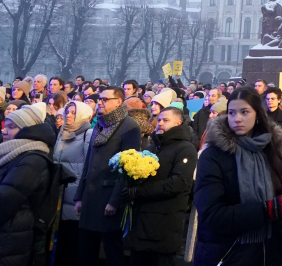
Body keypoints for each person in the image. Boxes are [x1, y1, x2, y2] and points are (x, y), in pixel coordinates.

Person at [193, 87, 282, 266]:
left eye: (244, 112)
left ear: (258, 115)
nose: (237, 119)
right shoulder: (214, 156)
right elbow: (211, 215)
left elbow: (278, 200)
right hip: (227, 253)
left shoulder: (272, 151)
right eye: (232, 112)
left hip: (268, 253)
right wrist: (266, 210)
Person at [0, 103, 58, 266]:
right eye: (4, 126)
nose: (3, 130)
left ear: (25, 130)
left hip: (5, 242)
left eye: (11, 127)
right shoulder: (7, 153)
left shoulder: (32, 160)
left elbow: (2, 204)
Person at [74, 85, 140, 266]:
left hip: (108, 197)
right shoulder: (101, 123)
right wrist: (79, 196)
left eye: (105, 99)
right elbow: (89, 162)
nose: (100, 102)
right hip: (90, 195)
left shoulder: (129, 127)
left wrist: (114, 200)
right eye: (100, 99)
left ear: (118, 102)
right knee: (86, 249)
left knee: (112, 250)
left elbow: (128, 167)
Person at [126, 107, 199, 266]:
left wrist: (138, 191)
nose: (160, 123)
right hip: (143, 221)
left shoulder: (185, 148)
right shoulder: (154, 146)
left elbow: (178, 183)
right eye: (159, 120)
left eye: (166, 120)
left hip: (164, 225)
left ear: (178, 123)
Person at [54, 100, 94, 266]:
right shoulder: (62, 132)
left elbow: (89, 166)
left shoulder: (88, 134)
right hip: (59, 194)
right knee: (60, 240)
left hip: (74, 195)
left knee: (72, 241)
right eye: (67, 112)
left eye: (73, 112)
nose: (68, 115)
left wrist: (81, 196)